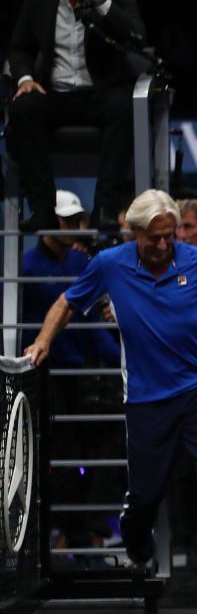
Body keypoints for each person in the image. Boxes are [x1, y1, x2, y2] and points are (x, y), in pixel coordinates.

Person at [24, 189, 197, 614]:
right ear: (134, 232)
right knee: (144, 498)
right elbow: (66, 303)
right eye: (153, 237)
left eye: (168, 236)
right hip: (145, 398)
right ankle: (137, 546)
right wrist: (43, 340)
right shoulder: (109, 265)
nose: (161, 245)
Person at [22, 190, 122, 559]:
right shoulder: (28, 267)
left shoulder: (83, 264)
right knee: (62, 459)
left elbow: (94, 319)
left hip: (91, 373)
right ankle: (75, 535)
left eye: (77, 220)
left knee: (104, 457)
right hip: (51, 375)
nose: (74, 227)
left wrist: (114, 357)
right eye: (66, 220)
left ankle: (86, 534)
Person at [7, 0, 144, 233]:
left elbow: (135, 36)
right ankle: (43, 210)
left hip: (101, 92)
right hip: (56, 93)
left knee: (124, 107)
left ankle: (105, 209)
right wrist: (25, 78)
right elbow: (20, 47)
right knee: (23, 108)